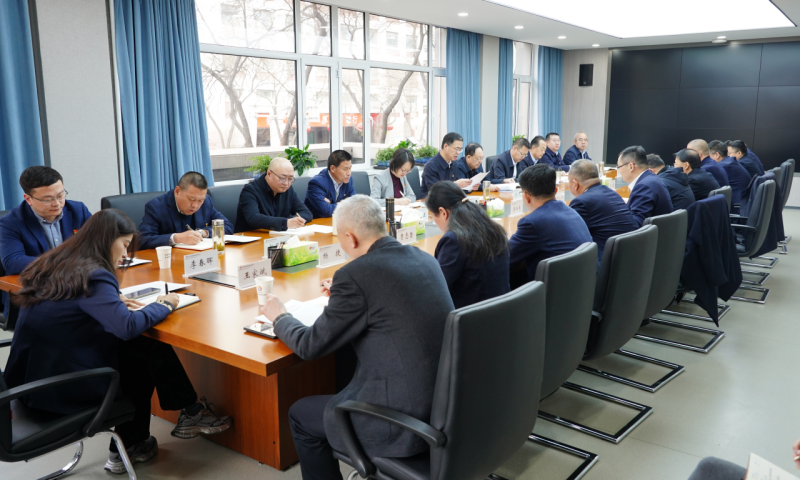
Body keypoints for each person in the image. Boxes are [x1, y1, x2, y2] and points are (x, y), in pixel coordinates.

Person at [3, 209, 232, 475]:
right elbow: (126, 326)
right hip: (60, 389)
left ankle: (184, 413)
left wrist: (112, 301)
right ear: (106, 240)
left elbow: (70, 306)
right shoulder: (95, 275)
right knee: (140, 357)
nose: (125, 253)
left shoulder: (55, 262)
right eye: (124, 244)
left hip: (25, 381)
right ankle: (137, 442)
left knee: (143, 346)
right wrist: (164, 304)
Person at [259, 195, 454, 480]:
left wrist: (280, 317)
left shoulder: (355, 275)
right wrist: (344, 296)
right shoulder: (423, 258)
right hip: (445, 405)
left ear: (350, 237)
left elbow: (309, 346)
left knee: (300, 414)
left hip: (402, 421)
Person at [0, 166, 92, 323]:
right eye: (48, 199)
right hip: (36, 293)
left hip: (78, 283)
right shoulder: (10, 223)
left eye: (60, 195)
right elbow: (13, 262)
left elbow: (97, 243)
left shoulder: (78, 210)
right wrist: (62, 262)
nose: (57, 203)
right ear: (28, 199)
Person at [426, 181, 510, 308]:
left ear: (443, 212)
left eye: (433, 216)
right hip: (502, 310)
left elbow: (438, 288)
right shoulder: (492, 227)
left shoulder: (453, 240)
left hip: (473, 315)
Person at [508, 164, 592, 287]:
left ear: (526, 196)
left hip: (552, 292)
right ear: (556, 190)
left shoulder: (532, 222)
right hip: (583, 288)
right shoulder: (571, 211)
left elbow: (506, 258)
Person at [138, 171, 233, 250]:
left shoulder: (206, 202)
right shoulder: (156, 207)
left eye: (200, 201)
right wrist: (176, 238)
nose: (195, 206)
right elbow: (142, 240)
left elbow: (227, 226)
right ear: (177, 191)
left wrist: (203, 232)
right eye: (191, 199)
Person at [568, 160, 638, 264]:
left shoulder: (581, 202)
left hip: (609, 263)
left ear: (575, 183)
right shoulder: (612, 193)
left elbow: (570, 237)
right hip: (633, 257)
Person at [234, 158, 313, 232]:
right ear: (269, 174)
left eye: (290, 179)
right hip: (252, 237)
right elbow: (253, 218)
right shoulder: (250, 190)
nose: (286, 183)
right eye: (282, 178)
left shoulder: (287, 189)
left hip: (278, 236)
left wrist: (292, 221)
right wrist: (285, 222)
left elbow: (306, 213)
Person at [619, 146, 673, 227]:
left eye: (619, 167)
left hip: (653, 234)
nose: (619, 171)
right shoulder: (652, 178)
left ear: (631, 166)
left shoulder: (643, 186)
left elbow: (636, 225)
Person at [305, 150, 357, 218]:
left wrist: (335, 205)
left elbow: (355, 204)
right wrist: (346, 204)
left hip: (337, 220)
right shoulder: (317, 183)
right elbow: (326, 211)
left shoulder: (348, 180)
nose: (349, 173)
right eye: (345, 169)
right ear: (332, 168)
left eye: (350, 168)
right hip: (318, 222)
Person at [420, 132, 473, 197]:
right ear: (445, 147)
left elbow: (458, 188)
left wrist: (469, 186)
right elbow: (435, 192)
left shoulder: (454, 163)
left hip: (449, 200)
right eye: (456, 149)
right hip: (431, 201)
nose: (458, 153)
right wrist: (455, 185)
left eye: (460, 149)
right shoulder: (431, 166)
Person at [710, 140, 751, 206]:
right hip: (743, 201)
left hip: (738, 205)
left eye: (709, 156)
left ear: (717, 155)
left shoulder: (724, 166)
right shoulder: (729, 162)